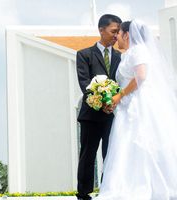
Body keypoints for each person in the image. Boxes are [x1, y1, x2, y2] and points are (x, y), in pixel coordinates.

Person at [94, 20, 177, 200]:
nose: (116, 37)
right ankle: (130, 183)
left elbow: (141, 76)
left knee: (138, 141)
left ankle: (142, 186)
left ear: (127, 34)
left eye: (119, 33)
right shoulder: (129, 53)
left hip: (138, 105)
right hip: (128, 104)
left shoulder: (138, 50)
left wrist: (120, 95)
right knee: (127, 145)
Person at [76, 14, 122, 200]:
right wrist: (102, 103)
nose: (116, 35)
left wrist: (112, 104)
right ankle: (84, 193)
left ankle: (106, 191)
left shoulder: (120, 57)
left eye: (118, 32)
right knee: (88, 154)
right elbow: (85, 83)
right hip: (91, 114)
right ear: (101, 30)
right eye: (113, 31)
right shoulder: (84, 54)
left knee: (110, 155)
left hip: (114, 115)